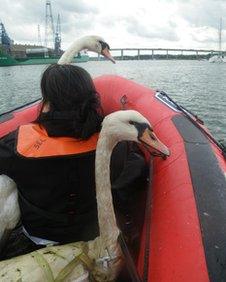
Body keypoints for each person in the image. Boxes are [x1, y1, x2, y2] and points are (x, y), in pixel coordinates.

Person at [0, 64, 147, 260]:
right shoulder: (118, 146)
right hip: (91, 235)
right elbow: (136, 166)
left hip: (38, 236)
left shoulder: (14, 146)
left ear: (47, 101)